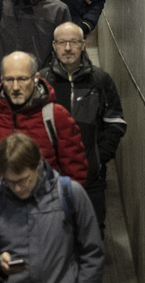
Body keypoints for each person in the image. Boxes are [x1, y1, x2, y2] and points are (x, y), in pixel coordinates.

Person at [0, 132, 102, 283]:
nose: (17, 188)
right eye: (9, 181)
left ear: (37, 166)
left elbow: (92, 253)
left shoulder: (70, 194)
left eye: (23, 180)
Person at [0, 51, 87, 207]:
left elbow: (75, 171)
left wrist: (59, 211)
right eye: (9, 79)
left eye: (22, 79)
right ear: (1, 79)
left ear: (36, 78)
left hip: (44, 211)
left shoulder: (56, 116)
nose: (15, 87)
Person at [39, 23, 125, 230]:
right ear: (54, 46)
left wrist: (97, 158)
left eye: (74, 42)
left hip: (91, 179)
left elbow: (115, 123)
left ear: (83, 45)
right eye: (62, 42)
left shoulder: (100, 80)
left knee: (91, 234)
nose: (68, 48)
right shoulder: (41, 82)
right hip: (50, 177)